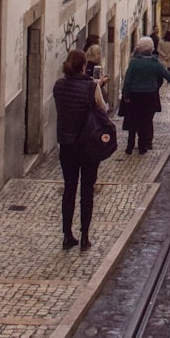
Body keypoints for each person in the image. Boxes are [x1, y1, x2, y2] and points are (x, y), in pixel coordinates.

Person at [52, 48, 107, 251]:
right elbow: (103, 109)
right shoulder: (90, 87)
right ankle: (84, 237)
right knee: (86, 190)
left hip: (67, 145)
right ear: (84, 66)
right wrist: (98, 87)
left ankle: (67, 235)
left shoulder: (58, 86)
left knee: (69, 188)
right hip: (88, 145)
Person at [121, 36, 170, 155]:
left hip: (134, 96)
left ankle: (130, 146)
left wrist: (126, 96)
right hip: (150, 96)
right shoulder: (155, 63)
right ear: (152, 49)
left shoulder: (134, 63)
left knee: (133, 121)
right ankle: (142, 147)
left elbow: (127, 81)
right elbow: (166, 75)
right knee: (145, 122)